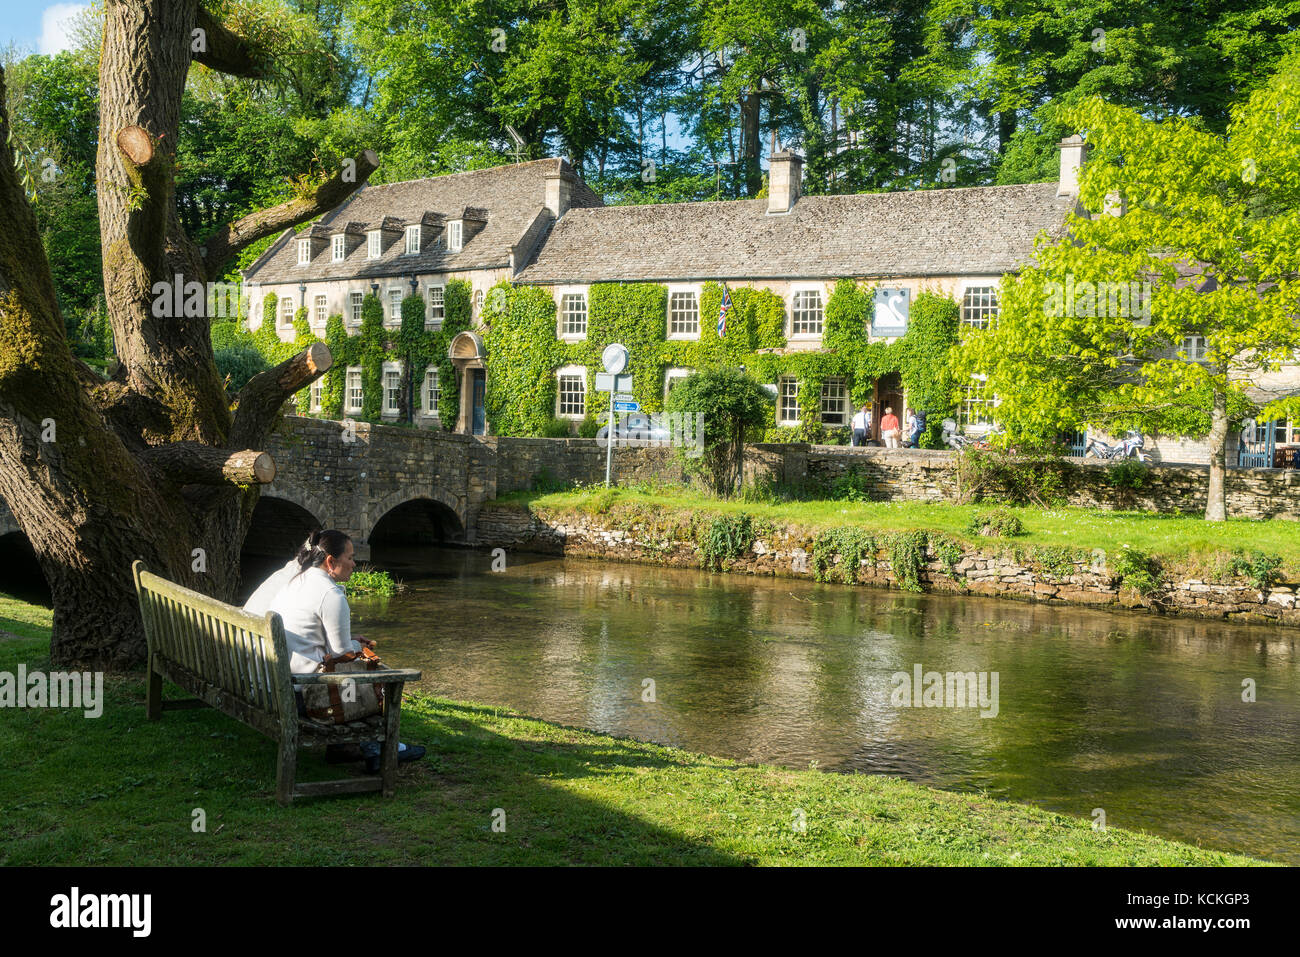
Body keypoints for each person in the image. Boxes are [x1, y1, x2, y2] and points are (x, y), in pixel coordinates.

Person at [243, 530, 424, 773]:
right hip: (300, 696)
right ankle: (382, 751)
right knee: (363, 676)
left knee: (353, 678)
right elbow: (342, 656)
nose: (354, 564)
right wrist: (358, 647)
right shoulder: (331, 594)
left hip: (269, 687)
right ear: (331, 561)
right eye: (350, 557)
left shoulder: (296, 581)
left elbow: (310, 638)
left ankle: (351, 749)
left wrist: (351, 642)